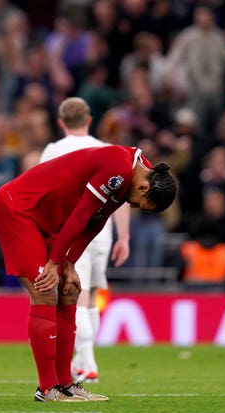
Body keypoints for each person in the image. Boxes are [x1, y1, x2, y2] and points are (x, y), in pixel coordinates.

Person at [0, 137, 177, 402]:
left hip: (44, 220)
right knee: (46, 290)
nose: (132, 205)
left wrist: (69, 264)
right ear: (145, 187)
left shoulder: (137, 171)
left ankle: (65, 384)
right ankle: (47, 389)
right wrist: (54, 263)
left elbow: (95, 221)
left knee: (69, 291)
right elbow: (81, 214)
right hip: (17, 210)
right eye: (137, 203)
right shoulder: (119, 169)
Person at [39, 97, 131, 384]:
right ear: (89, 120)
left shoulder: (54, 150)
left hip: (69, 232)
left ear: (60, 122)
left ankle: (86, 361)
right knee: (89, 295)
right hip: (101, 231)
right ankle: (85, 360)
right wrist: (124, 236)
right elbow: (123, 195)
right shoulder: (106, 150)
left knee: (70, 295)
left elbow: (44, 192)